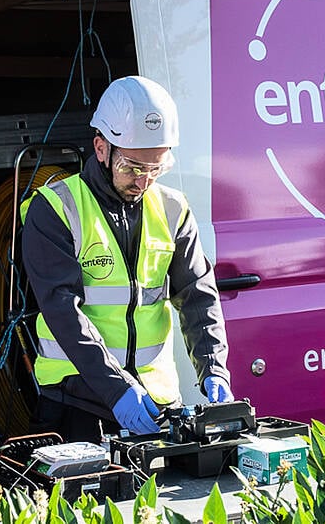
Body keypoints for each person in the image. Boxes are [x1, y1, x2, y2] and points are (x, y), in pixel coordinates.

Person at [20, 75, 232, 442]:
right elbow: (62, 311)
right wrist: (117, 388)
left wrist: (214, 368)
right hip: (78, 402)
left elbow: (198, 296)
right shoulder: (54, 208)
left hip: (156, 402)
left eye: (156, 168)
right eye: (132, 167)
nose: (143, 181)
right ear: (101, 148)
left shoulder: (172, 209)